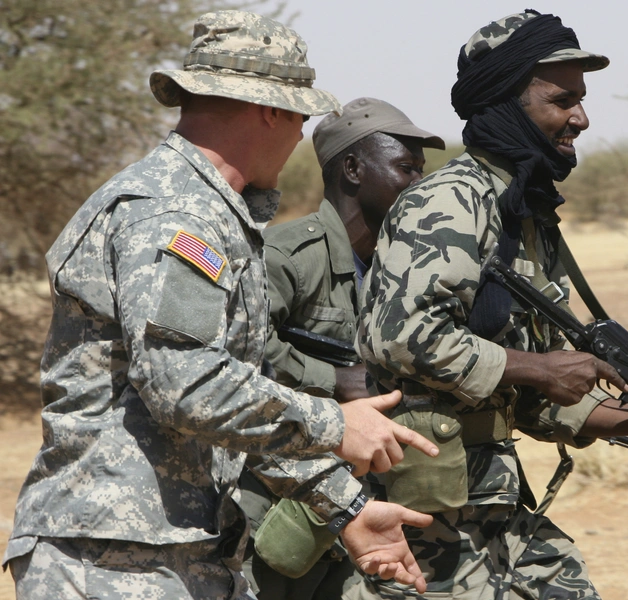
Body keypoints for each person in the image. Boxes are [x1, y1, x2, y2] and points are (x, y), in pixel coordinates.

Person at [1, 11, 438, 599]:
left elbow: (233, 400)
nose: (300, 136)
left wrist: (346, 508)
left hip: (180, 555)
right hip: (115, 564)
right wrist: (335, 423)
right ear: (271, 110)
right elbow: (184, 384)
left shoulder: (212, 213)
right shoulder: (174, 213)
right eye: (301, 116)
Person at [353, 10, 628, 599]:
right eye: (563, 100)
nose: (581, 118)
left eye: (581, 100)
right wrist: (541, 368)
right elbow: (400, 335)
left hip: (491, 497)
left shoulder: (523, 213)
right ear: (508, 102)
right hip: (421, 510)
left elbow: (540, 394)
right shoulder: (450, 202)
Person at [240, 97, 445, 599]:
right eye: (405, 168)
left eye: (422, 170)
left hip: (367, 502)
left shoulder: (406, 270)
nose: (420, 184)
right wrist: (334, 380)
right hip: (279, 495)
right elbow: (239, 353)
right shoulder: (286, 256)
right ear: (353, 169)